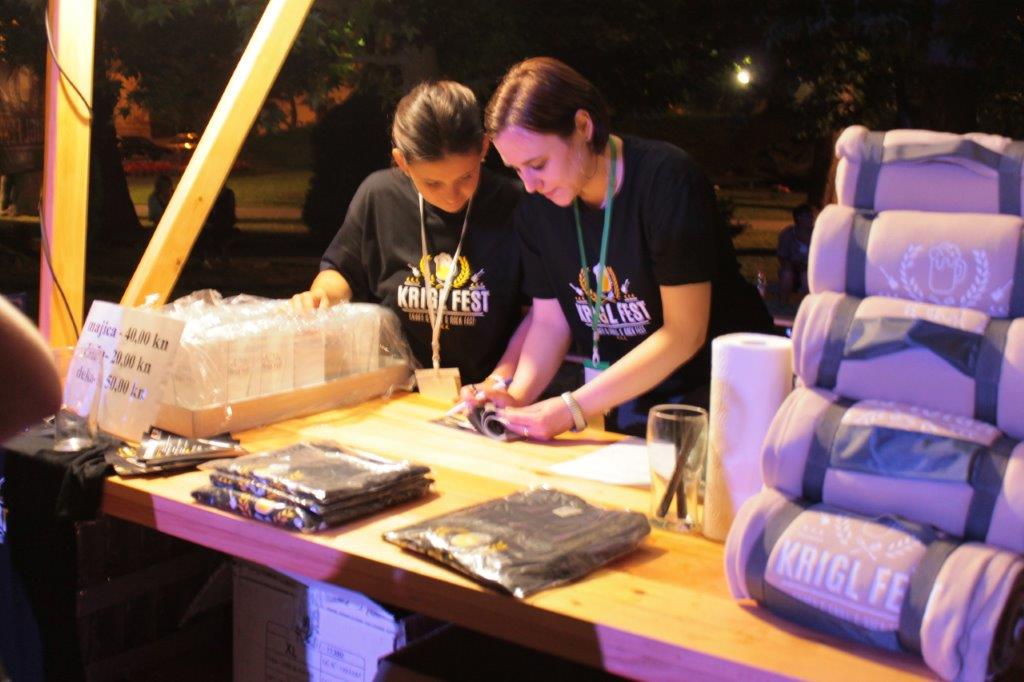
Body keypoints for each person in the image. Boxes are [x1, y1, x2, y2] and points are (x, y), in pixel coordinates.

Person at [467, 57, 774, 438]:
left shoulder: (666, 180)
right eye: (516, 170)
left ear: (583, 126)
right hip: (625, 394)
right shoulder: (538, 210)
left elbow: (685, 332)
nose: (530, 185)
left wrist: (573, 407)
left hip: (722, 395)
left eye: (539, 164)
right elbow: (550, 321)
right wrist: (514, 397)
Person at [292, 81, 528, 387]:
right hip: (395, 388)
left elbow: (538, 315)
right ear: (403, 162)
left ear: (484, 147)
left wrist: (500, 382)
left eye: (466, 176)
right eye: (432, 183)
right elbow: (342, 270)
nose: (451, 196)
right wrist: (321, 297)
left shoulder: (515, 205)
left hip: (489, 391)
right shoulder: (380, 196)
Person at [776, 203, 816, 304]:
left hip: (811, 268)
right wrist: (793, 265)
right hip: (792, 267)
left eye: (811, 216)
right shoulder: (787, 234)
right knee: (786, 274)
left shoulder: (817, 234)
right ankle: (782, 304)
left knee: (806, 277)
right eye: (808, 216)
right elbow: (782, 257)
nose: (811, 219)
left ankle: (807, 306)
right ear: (798, 218)